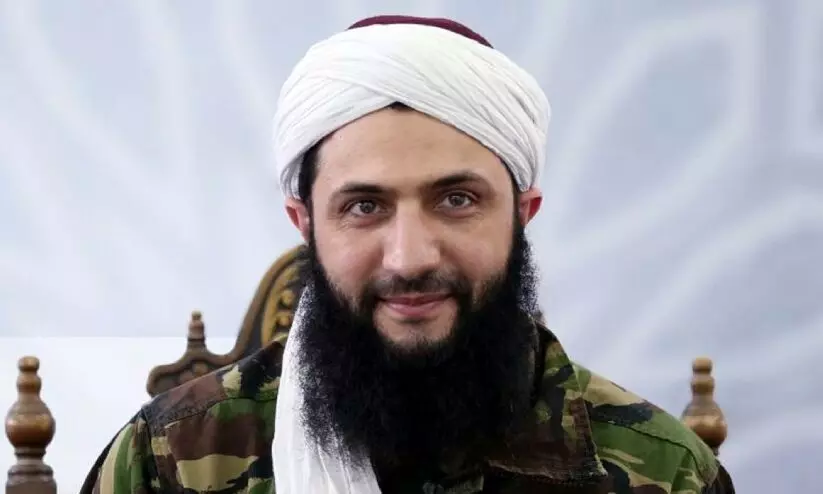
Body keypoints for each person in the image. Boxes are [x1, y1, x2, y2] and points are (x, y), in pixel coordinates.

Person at [83, 14, 736, 494]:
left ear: (523, 214)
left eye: (456, 199)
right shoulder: (170, 460)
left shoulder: (664, 471)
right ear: (305, 224)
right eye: (364, 206)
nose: (410, 258)